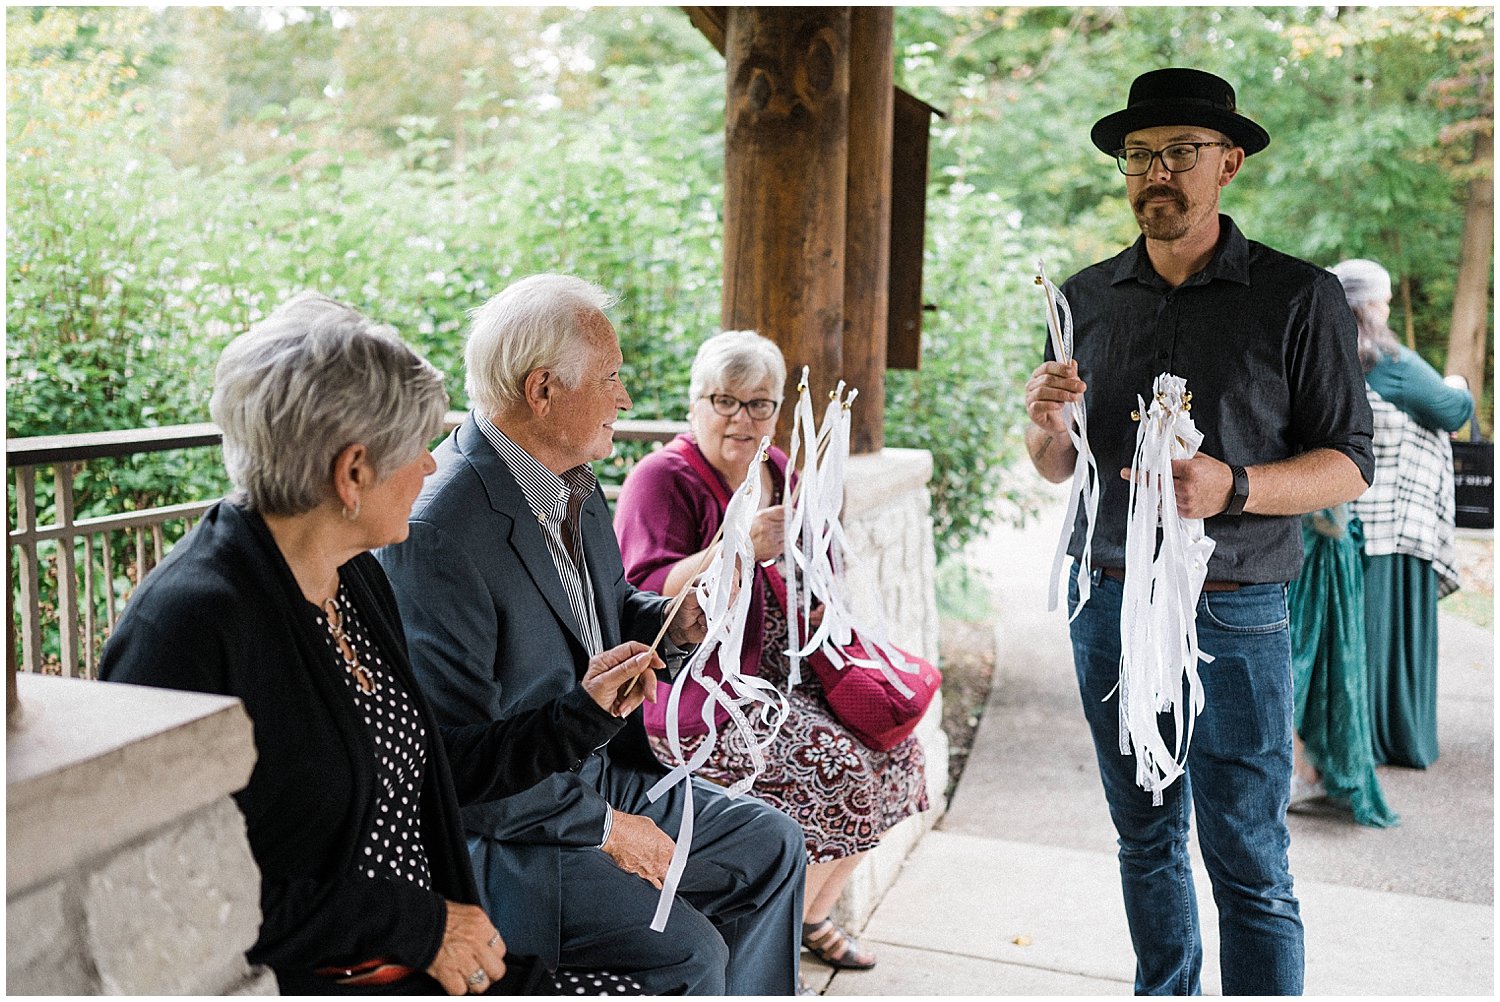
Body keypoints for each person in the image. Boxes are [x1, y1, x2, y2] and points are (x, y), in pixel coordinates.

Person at [99, 293, 654, 995]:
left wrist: (580, 716)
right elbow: (169, 893)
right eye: (417, 448)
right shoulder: (187, 629)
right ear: (352, 473)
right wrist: (418, 927)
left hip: (428, 949)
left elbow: (435, 766)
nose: (431, 469)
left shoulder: (351, 574)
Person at [1023, 68, 1374, 995]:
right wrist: (1041, 422)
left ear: (1230, 165)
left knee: (1249, 856)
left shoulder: (1299, 297)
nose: (1156, 174)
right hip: (1104, 600)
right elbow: (1058, 468)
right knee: (1144, 842)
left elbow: (1350, 460)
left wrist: (1236, 485)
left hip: (1238, 611)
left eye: (1181, 153)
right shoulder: (1081, 298)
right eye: (1141, 156)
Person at [376, 274, 807, 995]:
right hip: (519, 831)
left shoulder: (573, 479)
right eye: (611, 378)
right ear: (542, 389)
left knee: (771, 844)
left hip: (600, 772)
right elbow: (453, 770)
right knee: (691, 954)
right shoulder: (440, 531)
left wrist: (672, 625)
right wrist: (607, 827)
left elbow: (609, 607)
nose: (626, 399)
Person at [614, 329, 929, 978]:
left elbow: (818, 556)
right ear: (694, 404)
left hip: (791, 671)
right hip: (704, 691)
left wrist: (818, 593)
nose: (741, 418)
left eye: (759, 404)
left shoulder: (777, 467)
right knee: (837, 767)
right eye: (723, 401)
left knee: (897, 747)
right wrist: (736, 545)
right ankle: (772, 940)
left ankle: (811, 915)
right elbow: (641, 595)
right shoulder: (662, 479)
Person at [1331, 258, 1473, 768]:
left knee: (1353, 636)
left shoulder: (1323, 355)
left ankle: (1351, 739)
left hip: (1338, 525)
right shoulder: (1391, 361)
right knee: (1393, 638)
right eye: (1384, 299)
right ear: (1370, 303)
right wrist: (1458, 384)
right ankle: (1399, 737)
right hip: (1398, 525)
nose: (1388, 307)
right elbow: (1451, 410)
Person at [1286, 503, 1398, 827]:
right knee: (1314, 669)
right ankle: (1306, 768)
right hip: (1319, 552)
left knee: (1301, 668)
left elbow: (1331, 517)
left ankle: (1304, 769)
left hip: (1320, 558)